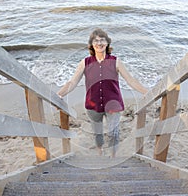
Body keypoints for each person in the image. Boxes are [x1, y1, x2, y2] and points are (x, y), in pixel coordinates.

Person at [57, 28, 148, 158]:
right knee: (97, 132)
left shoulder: (116, 61)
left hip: (113, 104)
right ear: (91, 44)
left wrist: (146, 92)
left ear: (107, 43)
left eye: (102, 40)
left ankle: (113, 154)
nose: (99, 43)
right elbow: (72, 83)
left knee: (113, 132)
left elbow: (130, 80)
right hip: (92, 105)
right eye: (96, 41)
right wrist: (59, 94)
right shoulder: (85, 63)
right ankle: (100, 150)